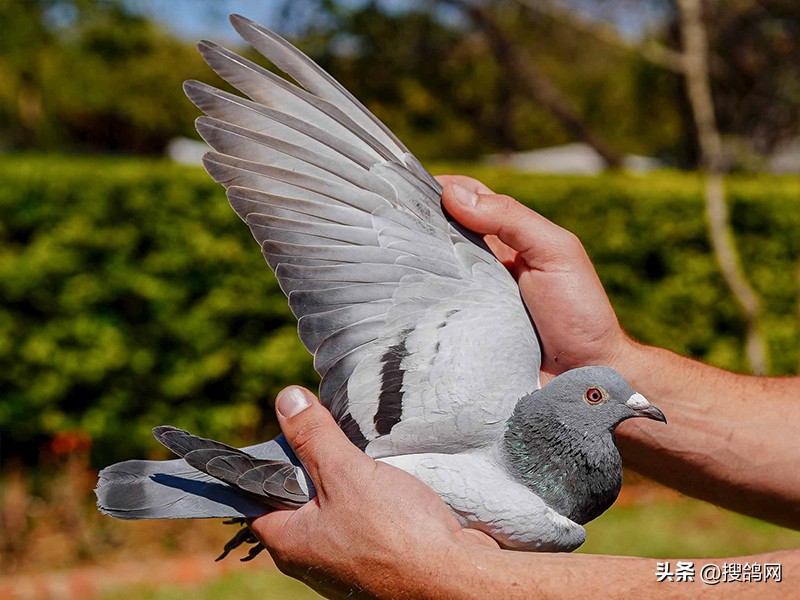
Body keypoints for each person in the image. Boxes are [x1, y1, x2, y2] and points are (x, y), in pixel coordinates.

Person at [249, 176, 800, 598]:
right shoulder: (520, 395)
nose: (633, 403)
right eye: (596, 396)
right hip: (338, 475)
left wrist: (465, 582)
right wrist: (603, 358)